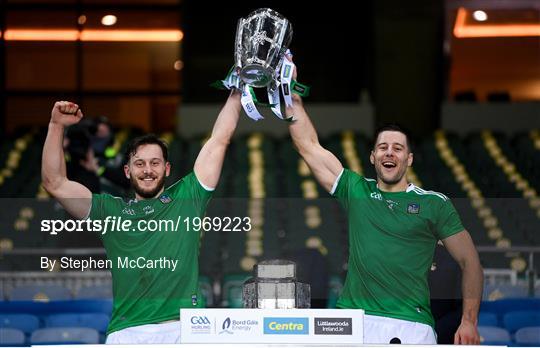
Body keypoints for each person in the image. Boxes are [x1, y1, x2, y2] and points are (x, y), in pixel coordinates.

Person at [284, 54, 483, 345]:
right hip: (353, 320)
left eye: (398, 148)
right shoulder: (357, 190)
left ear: (409, 158)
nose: (390, 152)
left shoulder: (434, 204)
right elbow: (308, 146)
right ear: (373, 157)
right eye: (383, 147)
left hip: (410, 325)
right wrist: (291, 98)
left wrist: (469, 321)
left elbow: (471, 262)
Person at [42, 91, 242, 344]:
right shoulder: (108, 211)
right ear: (127, 171)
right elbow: (55, 183)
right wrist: (56, 125)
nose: (148, 170)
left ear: (167, 169)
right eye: (140, 164)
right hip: (128, 333)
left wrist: (237, 91)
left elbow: (219, 140)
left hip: (184, 329)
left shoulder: (188, 197)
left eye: (155, 163)